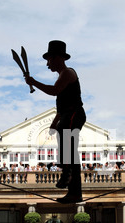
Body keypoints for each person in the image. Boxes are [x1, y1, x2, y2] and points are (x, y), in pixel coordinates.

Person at [25, 40, 86, 204]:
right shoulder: (63, 76)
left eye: (49, 59)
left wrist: (33, 82)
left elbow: (54, 91)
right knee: (67, 150)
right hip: (68, 115)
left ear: (58, 58)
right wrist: (54, 123)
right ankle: (69, 182)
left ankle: (70, 182)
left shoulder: (68, 73)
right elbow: (61, 106)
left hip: (74, 114)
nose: (47, 64)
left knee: (70, 151)